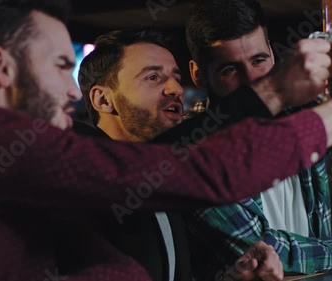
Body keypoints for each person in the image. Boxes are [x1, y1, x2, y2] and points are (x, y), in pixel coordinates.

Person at [0, 0, 332, 280]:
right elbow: (203, 171)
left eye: (174, 76)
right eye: (60, 66)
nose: (72, 90)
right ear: (2, 66)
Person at [154, 0, 332, 278]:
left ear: (273, 55)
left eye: (258, 61)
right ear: (198, 75)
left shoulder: (300, 117)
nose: (251, 79)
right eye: (229, 69)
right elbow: (261, 248)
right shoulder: (194, 146)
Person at [75, 28, 284, 281]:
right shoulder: (84, 173)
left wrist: (234, 276)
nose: (176, 89)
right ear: (103, 100)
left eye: (176, 77)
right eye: (153, 77)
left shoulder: (164, 176)